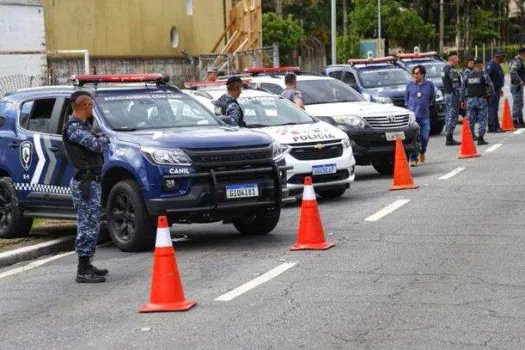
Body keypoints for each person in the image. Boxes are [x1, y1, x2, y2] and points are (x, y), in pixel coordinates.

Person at [62, 91, 110, 283]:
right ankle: (82, 270)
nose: (93, 109)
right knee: (87, 226)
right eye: (91, 106)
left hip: (91, 181)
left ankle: (87, 264)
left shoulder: (83, 126)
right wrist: (103, 139)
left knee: (92, 224)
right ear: (84, 107)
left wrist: (100, 138)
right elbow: (96, 145)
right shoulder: (73, 128)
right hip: (85, 183)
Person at [405, 65, 435, 166]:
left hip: (424, 115)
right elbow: (406, 99)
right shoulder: (409, 85)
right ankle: (413, 159)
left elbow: (432, 98)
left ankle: (422, 152)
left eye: (417, 73)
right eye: (414, 74)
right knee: (414, 138)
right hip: (413, 117)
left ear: (422, 74)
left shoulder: (429, 85)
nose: (415, 75)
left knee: (424, 137)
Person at [460, 57, 495, 145]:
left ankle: (470, 136)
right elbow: (491, 86)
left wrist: (462, 100)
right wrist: (490, 96)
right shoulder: (484, 74)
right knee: (482, 119)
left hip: (470, 100)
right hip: (481, 100)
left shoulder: (467, 75)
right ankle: (480, 138)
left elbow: (463, 89)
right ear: (480, 65)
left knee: (470, 120)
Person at [442, 51, 462, 146]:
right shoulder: (451, 70)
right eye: (456, 58)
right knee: (453, 116)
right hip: (452, 95)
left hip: (447, 94)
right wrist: (461, 98)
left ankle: (448, 136)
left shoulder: (445, 69)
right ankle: (449, 138)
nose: (458, 60)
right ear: (451, 59)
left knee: (448, 115)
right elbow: (456, 86)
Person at [486, 51, 506, 132]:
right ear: (497, 56)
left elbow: (498, 78)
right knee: (492, 109)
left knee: (494, 109)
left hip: (497, 89)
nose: (503, 58)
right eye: (502, 57)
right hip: (492, 91)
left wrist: (500, 89)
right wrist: (488, 90)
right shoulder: (491, 65)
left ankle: (494, 126)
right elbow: (486, 77)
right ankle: (493, 127)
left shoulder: (497, 65)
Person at [510, 48, 525, 127]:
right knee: (517, 104)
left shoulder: (518, 61)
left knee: (520, 103)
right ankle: (515, 121)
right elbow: (512, 71)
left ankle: (520, 120)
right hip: (516, 86)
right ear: (522, 53)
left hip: (518, 86)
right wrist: (519, 81)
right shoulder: (517, 61)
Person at [459, 56, 476, 122]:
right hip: (468, 95)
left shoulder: (472, 71)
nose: (474, 65)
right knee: (469, 113)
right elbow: (464, 86)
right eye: (473, 63)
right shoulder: (467, 72)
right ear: (470, 63)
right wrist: (462, 99)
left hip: (472, 94)